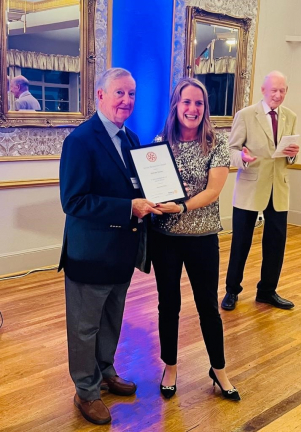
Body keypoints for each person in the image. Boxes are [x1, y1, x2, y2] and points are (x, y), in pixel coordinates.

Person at [58, 67, 162, 425]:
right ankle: (85, 391)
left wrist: (153, 198)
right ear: (100, 96)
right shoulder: (80, 141)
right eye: (119, 93)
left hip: (122, 252)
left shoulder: (132, 140)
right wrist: (127, 207)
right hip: (89, 255)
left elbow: (135, 187)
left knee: (112, 321)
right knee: (84, 327)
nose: (126, 101)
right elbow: (74, 202)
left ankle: (105, 371)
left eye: (131, 94)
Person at [150, 77, 240, 401]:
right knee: (168, 305)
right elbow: (151, 183)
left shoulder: (216, 142)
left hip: (202, 237)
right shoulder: (160, 141)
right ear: (176, 105)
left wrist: (181, 205)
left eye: (198, 103)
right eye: (186, 102)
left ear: (205, 107)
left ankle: (218, 370)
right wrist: (151, 200)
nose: (192, 109)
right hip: (165, 238)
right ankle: (170, 366)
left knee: (207, 307)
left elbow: (214, 191)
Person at [221, 70, 299, 311]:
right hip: (250, 187)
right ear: (263, 91)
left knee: (276, 243)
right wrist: (242, 157)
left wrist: (293, 154)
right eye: (273, 90)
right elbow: (231, 150)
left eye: (282, 90)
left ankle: (267, 291)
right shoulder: (245, 115)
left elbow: (291, 154)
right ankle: (232, 290)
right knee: (241, 243)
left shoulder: (290, 116)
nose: (278, 95)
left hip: (279, 189)